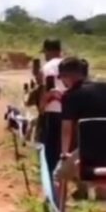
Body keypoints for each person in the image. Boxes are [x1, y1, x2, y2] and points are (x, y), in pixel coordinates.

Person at [55, 56, 106, 197]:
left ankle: (59, 210)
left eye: (62, 78)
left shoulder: (70, 96)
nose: (62, 82)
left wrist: (64, 154)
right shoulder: (105, 88)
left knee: (58, 174)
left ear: (69, 76)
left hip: (90, 147)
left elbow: (66, 130)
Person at [40, 38, 65, 178]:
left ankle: (52, 182)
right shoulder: (70, 64)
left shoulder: (48, 67)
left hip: (53, 111)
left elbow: (47, 89)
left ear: (48, 51)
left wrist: (42, 108)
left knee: (52, 151)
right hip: (71, 111)